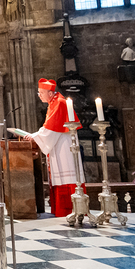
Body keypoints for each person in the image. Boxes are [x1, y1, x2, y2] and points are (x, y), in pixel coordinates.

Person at [22, 79, 83, 217]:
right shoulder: (53, 103)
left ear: (50, 93)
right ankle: (61, 210)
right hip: (58, 143)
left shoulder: (59, 102)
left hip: (64, 145)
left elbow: (51, 129)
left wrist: (35, 136)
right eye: (38, 92)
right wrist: (36, 135)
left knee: (66, 174)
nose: (39, 95)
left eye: (41, 92)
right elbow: (49, 127)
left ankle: (70, 210)